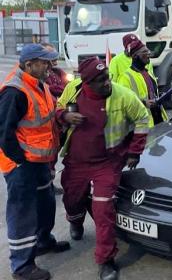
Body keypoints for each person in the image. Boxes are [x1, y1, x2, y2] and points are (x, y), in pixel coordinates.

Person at [57, 57, 149, 280]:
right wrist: (65, 115)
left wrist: (134, 152)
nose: (106, 83)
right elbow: (58, 108)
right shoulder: (73, 89)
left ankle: (106, 259)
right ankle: (75, 220)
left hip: (107, 163)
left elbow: (142, 118)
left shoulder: (122, 95)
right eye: (100, 80)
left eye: (106, 77)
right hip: (76, 162)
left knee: (103, 211)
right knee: (72, 199)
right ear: (87, 82)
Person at [0, 44, 71, 280]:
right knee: (23, 212)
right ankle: (21, 266)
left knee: (45, 203)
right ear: (29, 64)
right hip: (21, 164)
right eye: (45, 62)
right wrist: (19, 161)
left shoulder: (39, 84)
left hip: (39, 160)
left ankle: (42, 241)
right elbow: (3, 132)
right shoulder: (14, 91)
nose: (50, 66)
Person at [117, 40, 168, 128]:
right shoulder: (125, 77)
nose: (149, 53)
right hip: (142, 126)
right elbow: (122, 102)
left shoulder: (149, 73)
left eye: (148, 51)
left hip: (159, 121)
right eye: (144, 51)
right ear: (134, 56)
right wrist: (144, 103)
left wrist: (162, 96)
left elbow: (151, 94)